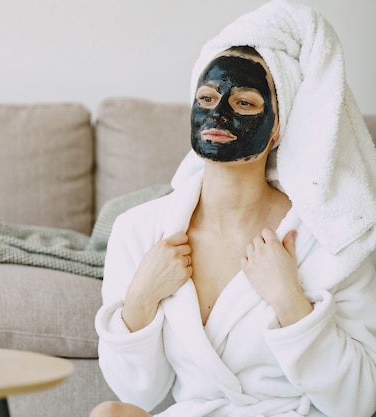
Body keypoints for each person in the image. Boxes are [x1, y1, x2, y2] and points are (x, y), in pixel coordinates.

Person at [91, 1, 376, 416]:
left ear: (278, 125)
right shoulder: (140, 230)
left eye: (244, 103)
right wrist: (140, 299)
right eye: (206, 98)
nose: (218, 114)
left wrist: (290, 301)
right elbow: (138, 395)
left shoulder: (327, 236)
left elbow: (360, 400)